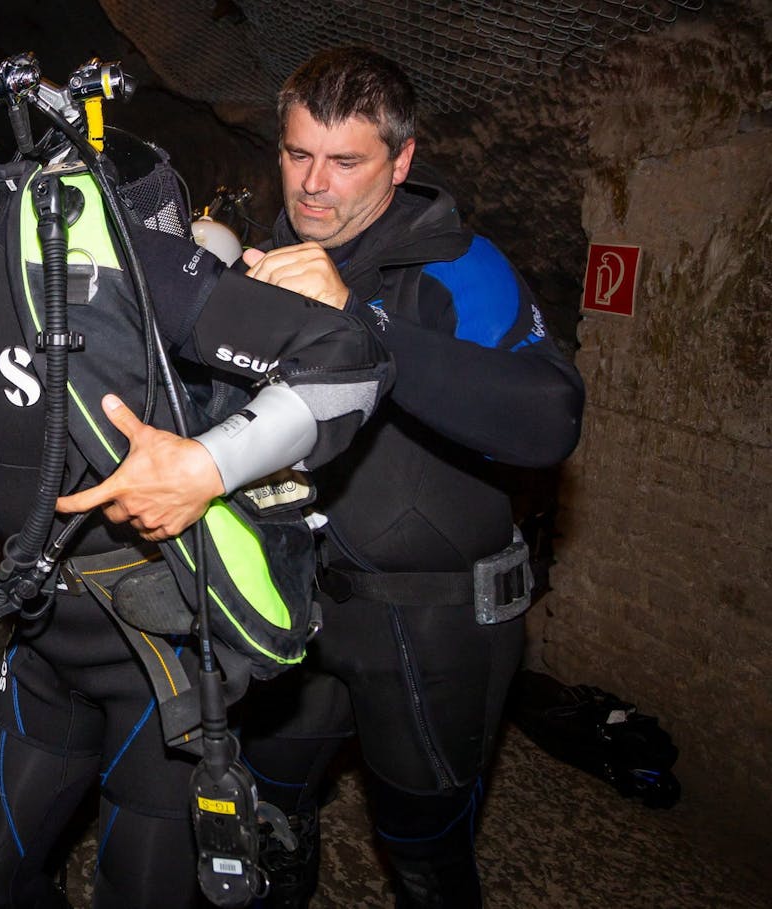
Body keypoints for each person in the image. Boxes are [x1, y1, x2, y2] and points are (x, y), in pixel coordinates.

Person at [0, 43, 389, 907]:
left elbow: (348, 360)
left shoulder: (81, 252)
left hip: (157, 655)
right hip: (38, 635)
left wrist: (206, 464)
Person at [234, 47, 586, 908]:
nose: (313, 184)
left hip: (436, 629)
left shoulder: (455, 264)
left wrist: (359, 320)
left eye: (345, 161)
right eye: (296, 153)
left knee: (424, 856)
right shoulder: (273, 251)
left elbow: (550, 418)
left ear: (401, 160)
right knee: (262, 824)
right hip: (303, 611)